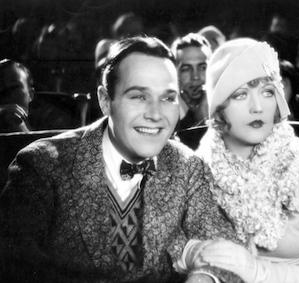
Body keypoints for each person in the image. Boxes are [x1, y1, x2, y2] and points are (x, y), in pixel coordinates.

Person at [0, 36, 241, 283]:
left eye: (167, 98)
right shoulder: (41, 166)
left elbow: (225, 252)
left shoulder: (188, 165)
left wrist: (205, 278)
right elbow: (14, 267)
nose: (156, 114)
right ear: (105, 101)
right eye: (138, 96)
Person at [192, 38, 299, 282]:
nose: (257, 107)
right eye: (240, 94)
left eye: (267, 92)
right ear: (218, 106)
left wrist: (256, 272)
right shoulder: (195, 169)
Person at [171, 33, 212, 149]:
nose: (196, 77)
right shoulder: (168, 116)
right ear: (175, 73)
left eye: (202, 68)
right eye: (186, 69)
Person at [0, 59, 34, 133]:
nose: (6, 93)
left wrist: (20, 127)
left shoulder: (52, 121)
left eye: (14, 87)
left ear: (30, 94)